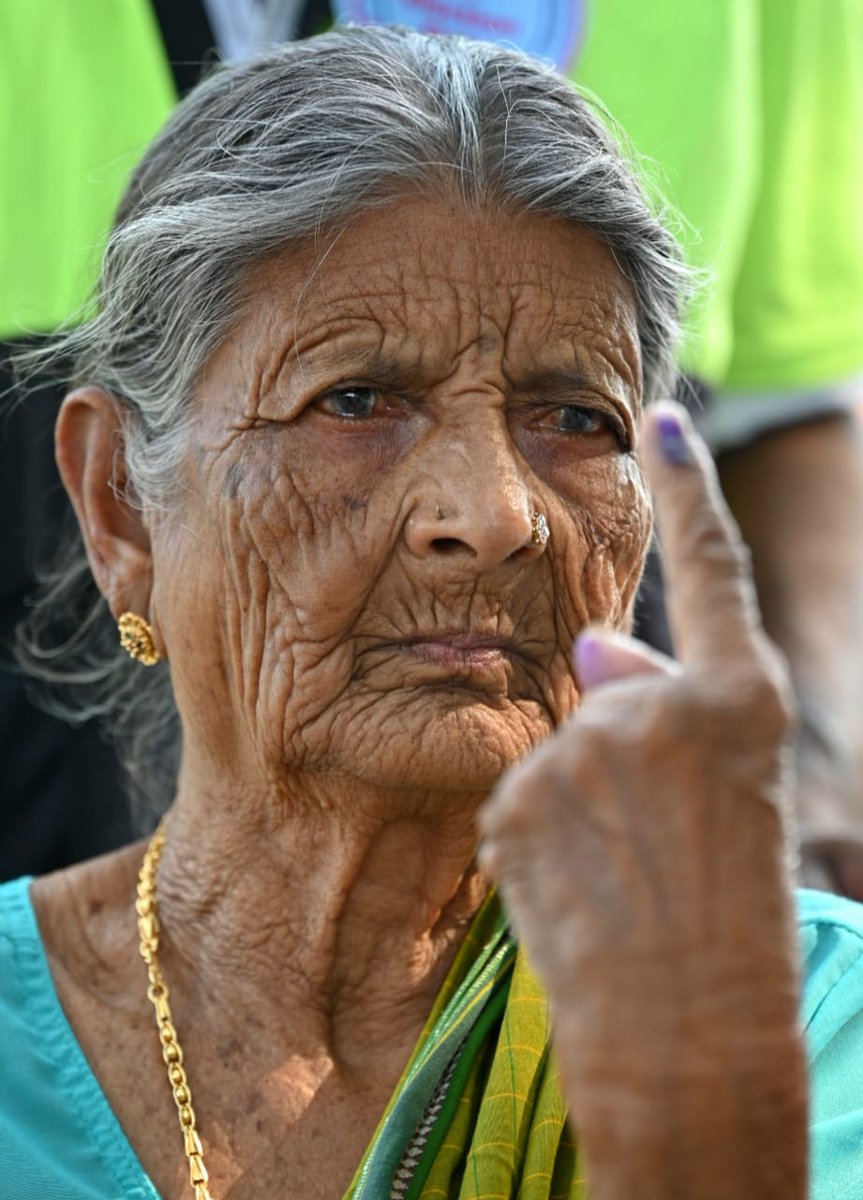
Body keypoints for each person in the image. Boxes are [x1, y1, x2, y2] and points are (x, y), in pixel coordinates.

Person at [2, 27, 863, 1199]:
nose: (494, 515)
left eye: (575, 419)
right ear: (120, 507)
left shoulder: (811, 1022)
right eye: (354, 400)